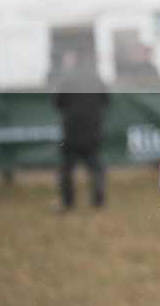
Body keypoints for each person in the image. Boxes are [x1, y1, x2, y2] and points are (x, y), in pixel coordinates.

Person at [53, 50, 110, 210]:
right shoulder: (96, 78)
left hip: (72, 129)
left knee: (66, 168)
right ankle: (98, 200)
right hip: (92, 128)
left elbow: (58, 102)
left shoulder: (67, 78)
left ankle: (67, 201)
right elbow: (106, 99)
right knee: (96, 166)